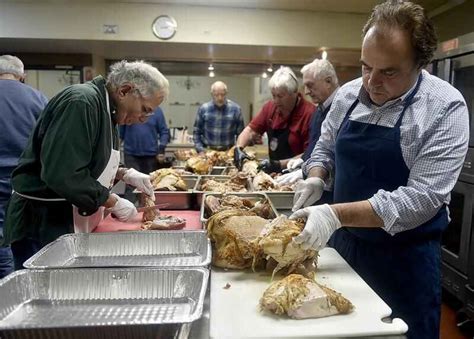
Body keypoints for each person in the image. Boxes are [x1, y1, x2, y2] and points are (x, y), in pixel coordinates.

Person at [290, 1, 469, 338]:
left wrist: (334, 214)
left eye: (388, 72)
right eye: (365, 66)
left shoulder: (445, 107)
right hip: (343, 251)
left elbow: (420, 198)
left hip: (403, 262)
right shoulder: (346, 97)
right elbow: (324, 148)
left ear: (420, 63)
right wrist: (316, 177)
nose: (371, 82)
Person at [1, 60, 169, 270]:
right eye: (145, 109)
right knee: (48, 292)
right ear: (125, 90)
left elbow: (85, 160)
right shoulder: (81, 102)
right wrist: (111, 201)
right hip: (43, 222)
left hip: (67, 217)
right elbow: (62, 173)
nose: (144, 119)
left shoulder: (110, 111)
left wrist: (123, 173)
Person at [0, 55, 48, 278]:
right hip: (27, 184)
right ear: (23, 76)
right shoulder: (38, 99)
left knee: (2, 242)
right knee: (27, 242)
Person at [234, 66, 314, 173]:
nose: (276, 101)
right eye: (273, 95)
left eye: (280, 96)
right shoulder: (270, 107)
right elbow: (250, 130)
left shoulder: (309, 113)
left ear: (294, 93)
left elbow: (309, 154)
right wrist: (239, 148)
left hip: (297, 172)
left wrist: (279, 165)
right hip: (273, 171)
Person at [276, 59, 340, 187]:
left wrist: (307, 172)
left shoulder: (342, 108)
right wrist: (303, 159)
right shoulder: (318, 110)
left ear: (328, 81)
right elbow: (316, 145)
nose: (306, 91)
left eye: (310, 85)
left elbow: (338, 154)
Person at [120, 106, 170, 202]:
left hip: (150, 156)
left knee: (149, 185)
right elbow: (120, 133)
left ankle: (150, 211)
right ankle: (128, 212)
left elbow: (164, 131)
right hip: (131, 154)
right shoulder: (131, 109)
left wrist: (161, 149)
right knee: (131, 185)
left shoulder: (157, 111)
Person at [193, 81, 244, 153]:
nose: (220, 98)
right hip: (208, 152)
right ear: (212, 94)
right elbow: (196, 132)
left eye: (222, 95)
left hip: (228, 152)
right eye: (216, 95)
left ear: (226, 93)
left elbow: (241, 134)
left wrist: (236, 151)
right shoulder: (204, 109)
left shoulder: (236, 109)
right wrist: (200, 150)